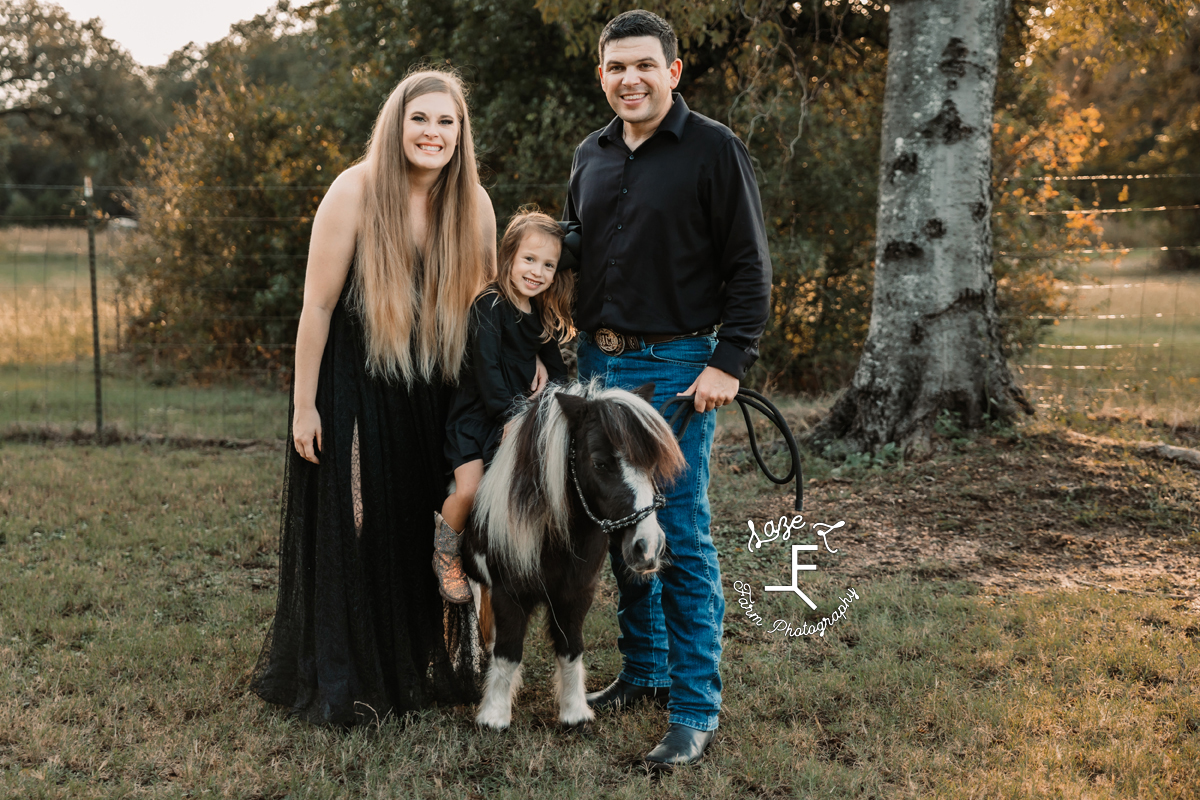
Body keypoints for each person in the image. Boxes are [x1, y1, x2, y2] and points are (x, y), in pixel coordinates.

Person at [250, 69, 497, 726]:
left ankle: (417, 660)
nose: (433, 133)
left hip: (435, 386)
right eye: (421, 119)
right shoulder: (354, 191)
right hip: (356, 379)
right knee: (358, 523)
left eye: (447, 122)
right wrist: (304, 407)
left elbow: (489, 316)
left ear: (460, 134)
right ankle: (351, 672)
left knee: (426, 519)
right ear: (397, 123)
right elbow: (317, 306)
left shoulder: (474, 205)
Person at [563, 10, 772, 767]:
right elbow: (572, 251)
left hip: (681, 369)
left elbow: (750, 268)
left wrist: (730, 361)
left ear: (673, 71)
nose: (631, 79)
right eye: (617, 68)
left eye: (645, 66)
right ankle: (644, 671)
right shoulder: (590, 155)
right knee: (620, 528)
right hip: (599, 366)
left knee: (678, 535)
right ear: (603, 76)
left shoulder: (714, 150)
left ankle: (693, 708)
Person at [433, 209, 572, 603]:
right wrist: (512, 417)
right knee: (471, 491)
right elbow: (488, 371)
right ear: (508, 256)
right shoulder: (488, 305)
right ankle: (445, 553)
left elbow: (558, 373)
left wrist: (549, 406)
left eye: (548, 264)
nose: (537, 271)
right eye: (529, 259)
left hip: (517, 421)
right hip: (477, 420)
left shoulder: (540, 311)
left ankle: (514, 562)